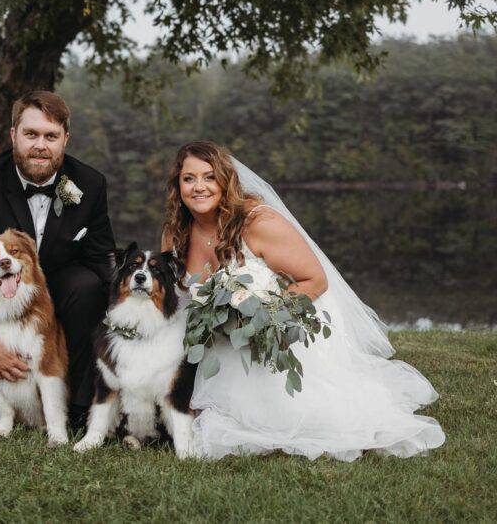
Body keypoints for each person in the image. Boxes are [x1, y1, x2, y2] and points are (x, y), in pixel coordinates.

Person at [161, 140, 445, 461]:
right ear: (178, 185)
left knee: (288, 417)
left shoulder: (258, 223)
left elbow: (315, 281)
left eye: (209, 177)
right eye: (189, 179)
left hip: (274, 328)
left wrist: (259, 316)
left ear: (225, 180)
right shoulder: (176, 232)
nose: (199, 187)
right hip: (210, 337)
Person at [0, 91, 115, 429]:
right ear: (13, 136)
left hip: (58, 303)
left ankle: (78, 398)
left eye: (51, 136)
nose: (40, 145)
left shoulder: (89, 185)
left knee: (88, 286)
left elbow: (101, 260)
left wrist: (124, 315)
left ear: (65, 139)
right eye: (31, 134)